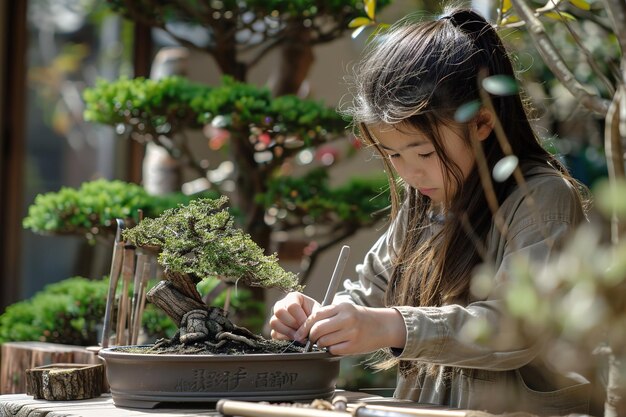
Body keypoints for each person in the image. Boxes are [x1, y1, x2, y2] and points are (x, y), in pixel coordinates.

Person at [269, 6, 591, 415]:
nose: (409, 171)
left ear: (481, 124)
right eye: (392, 154)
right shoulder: (425, 200)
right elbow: (368, 290)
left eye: (423, 151)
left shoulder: (542, 199)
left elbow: (516, 328)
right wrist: (317, 316)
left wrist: (390, 325)